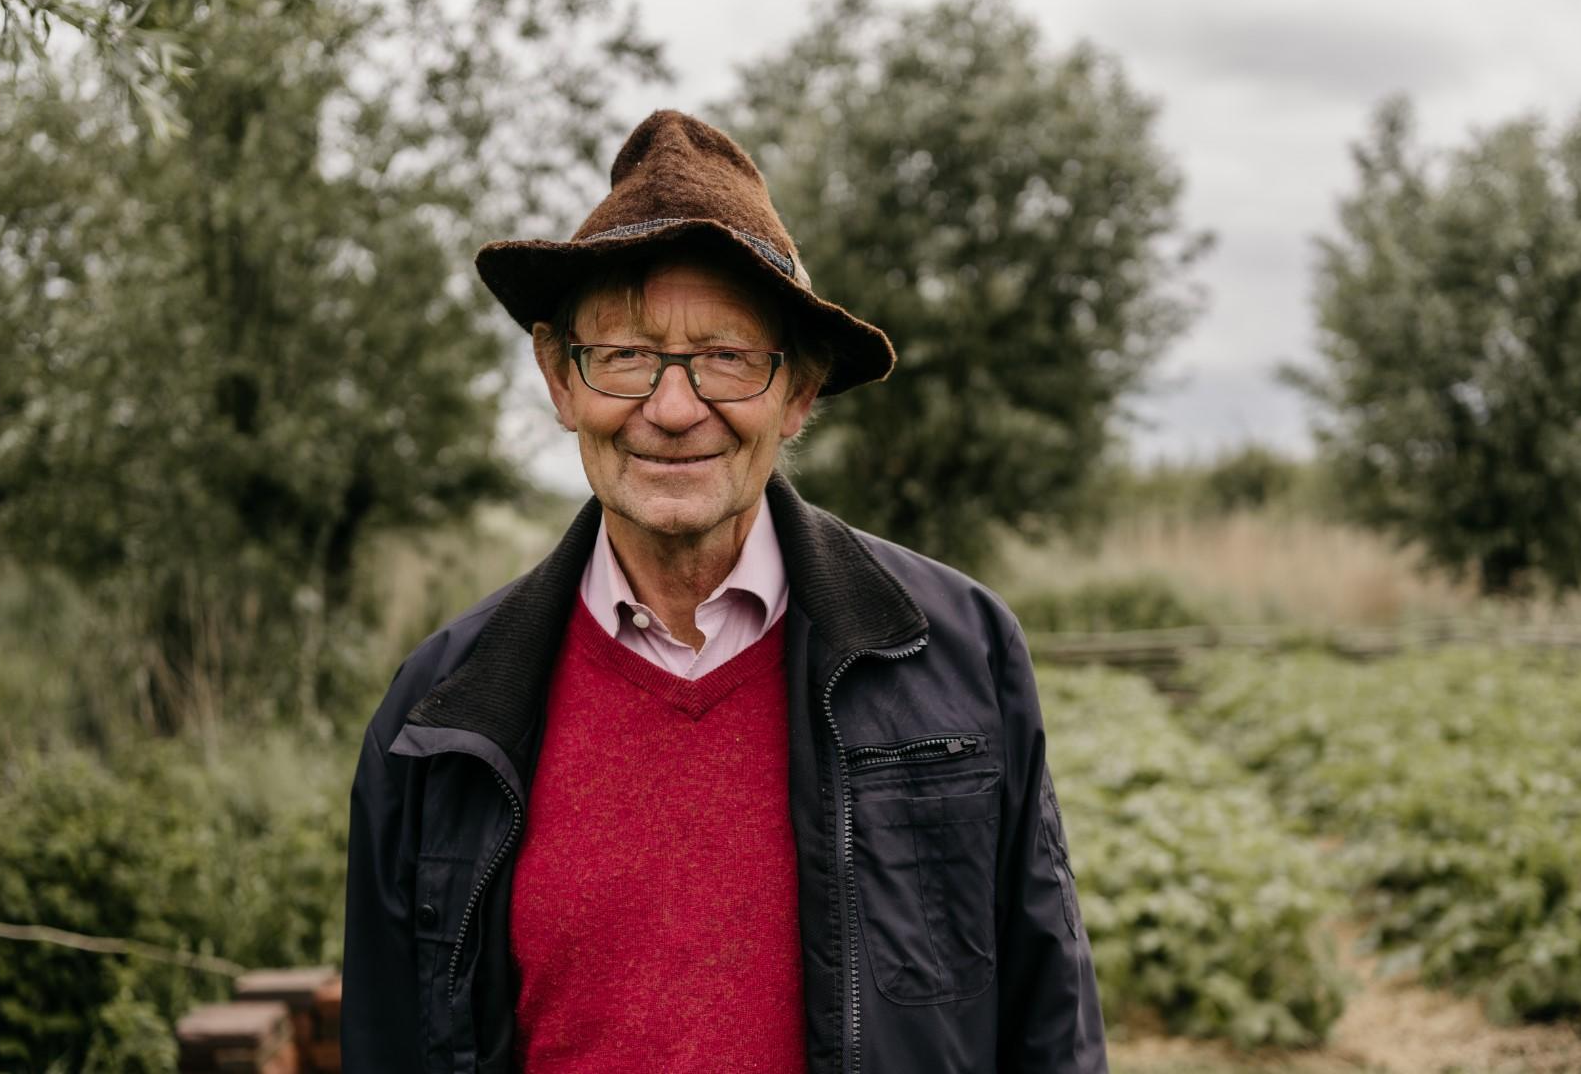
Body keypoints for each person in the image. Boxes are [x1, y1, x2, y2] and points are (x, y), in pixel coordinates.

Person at [340, 109, 1106, 1074]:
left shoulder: (958, 652)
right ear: (558, 378)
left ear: (797, 394)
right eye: (624, 354)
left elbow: (1051, 1023)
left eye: (727, 359)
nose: (671, 408)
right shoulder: (438, 715)